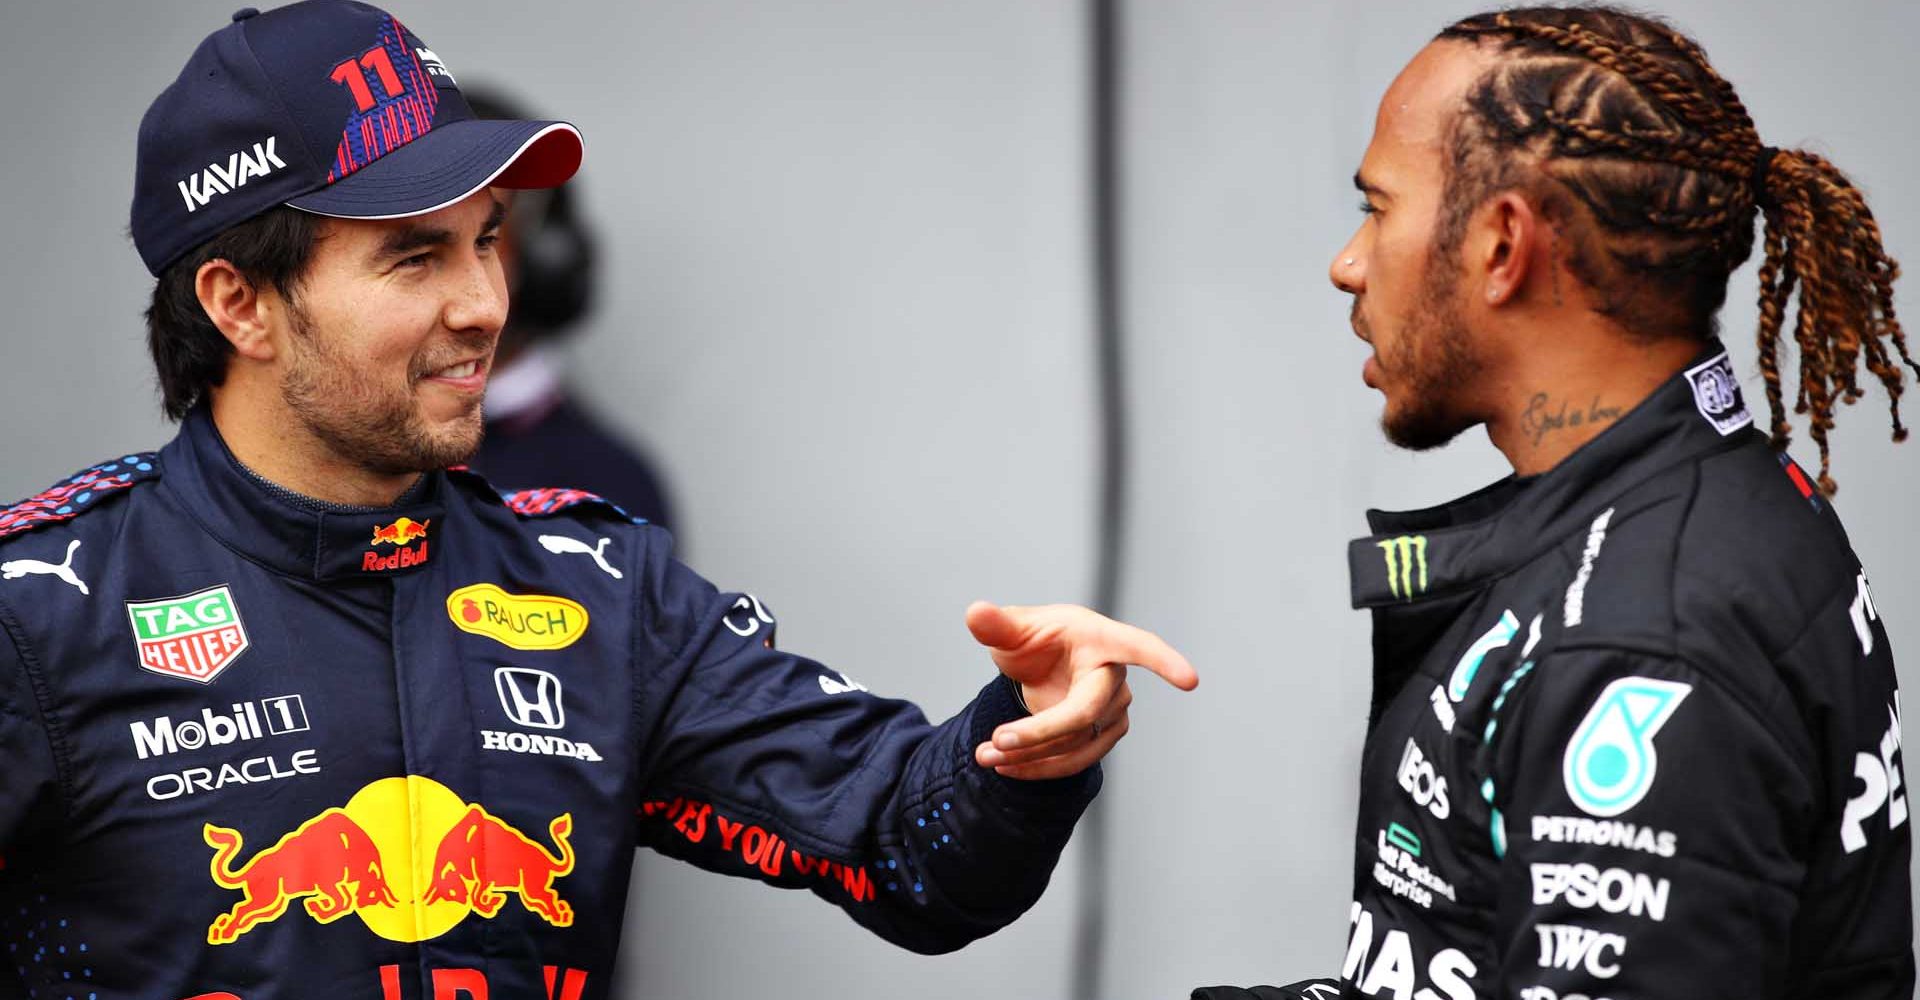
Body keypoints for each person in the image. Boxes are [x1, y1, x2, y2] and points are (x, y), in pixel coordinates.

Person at [0, 4, 1197, 998]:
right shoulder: (41, 618)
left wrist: (1025, 746)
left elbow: (909, 853)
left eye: (488, 242)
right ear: (238, 303)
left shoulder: (600, 593)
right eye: (415, 257)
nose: (483, 304)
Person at [1194, 6, 1911, 999]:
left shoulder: (1643, 639)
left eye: (1377, 207)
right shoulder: (1701, 501)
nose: (1348, 264)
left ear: (1500, 246)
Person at [459, 86, 679, 532]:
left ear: (545, 262)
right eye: (413, 251)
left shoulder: (606, 486)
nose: (440, 281)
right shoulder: (334, 459)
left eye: (484, 240)